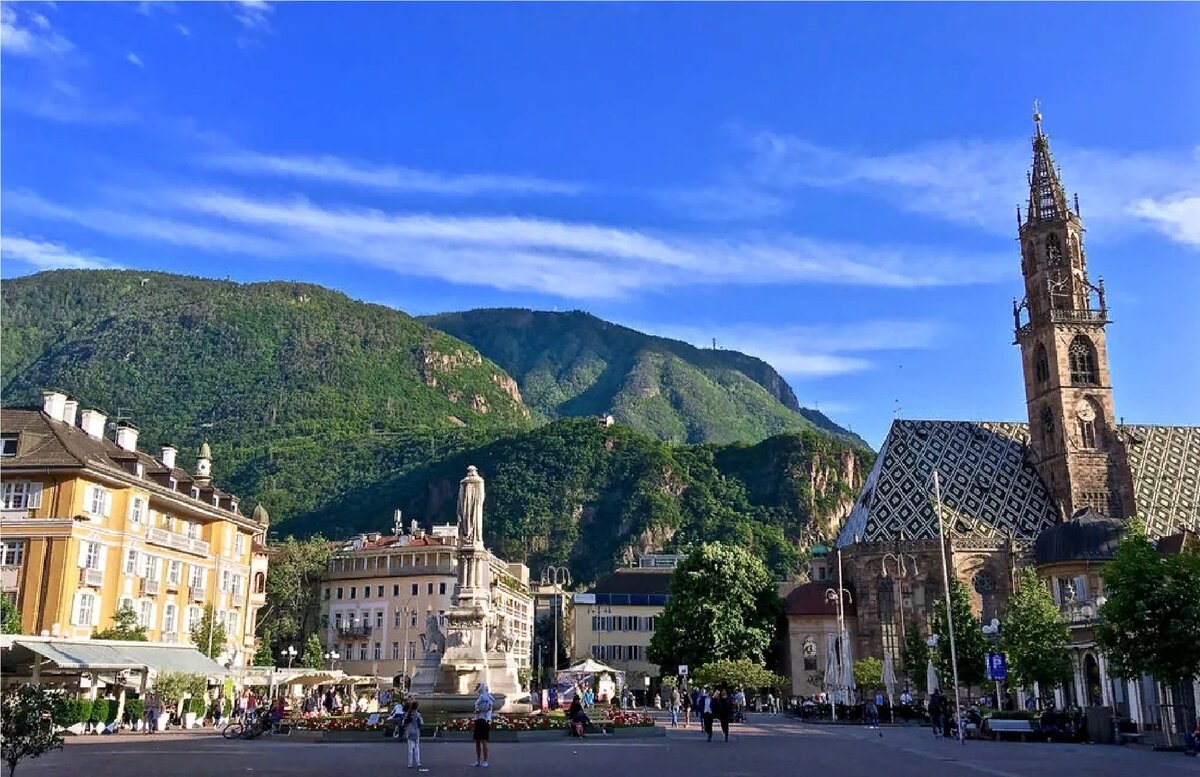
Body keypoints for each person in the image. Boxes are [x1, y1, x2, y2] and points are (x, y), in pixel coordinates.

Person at [472, 683, 494, 768]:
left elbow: (486, 708)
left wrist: (479, 710)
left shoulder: (484, 697)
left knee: (482, 742)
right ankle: (479, 761)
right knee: (479, 742)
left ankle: (483, 761)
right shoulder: (487, 697)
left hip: (483, 720)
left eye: (478, 688)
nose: (477, 690)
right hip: (481, 720)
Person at [405, 700, 424, 769]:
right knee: (417, 747)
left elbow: (404, 722)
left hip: (409, 732)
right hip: (416, 732)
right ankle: (418, 762)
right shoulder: (418, 714)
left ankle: (410, 763)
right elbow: (421, 723)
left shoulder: (408, 714)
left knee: (410, 749)